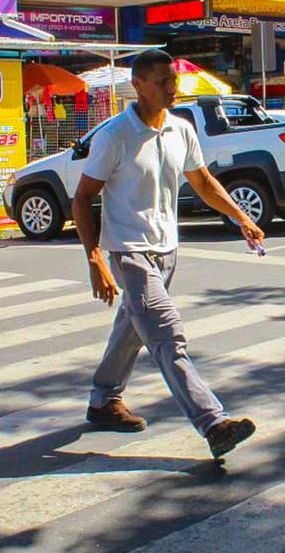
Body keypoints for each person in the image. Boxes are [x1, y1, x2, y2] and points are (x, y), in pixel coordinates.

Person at [72, 49, 265, 458]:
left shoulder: (181, 130)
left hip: (167, 250)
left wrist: (241, 217)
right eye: (162, 81)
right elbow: (83, 197)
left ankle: (103, 401)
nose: (171, 88)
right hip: (129, 251)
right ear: (138, 85)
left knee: (132, 329)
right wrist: (95, 260)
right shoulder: (114, 135)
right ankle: (213, 422)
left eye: (173, 80)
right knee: (166, 335)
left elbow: (204, 180)